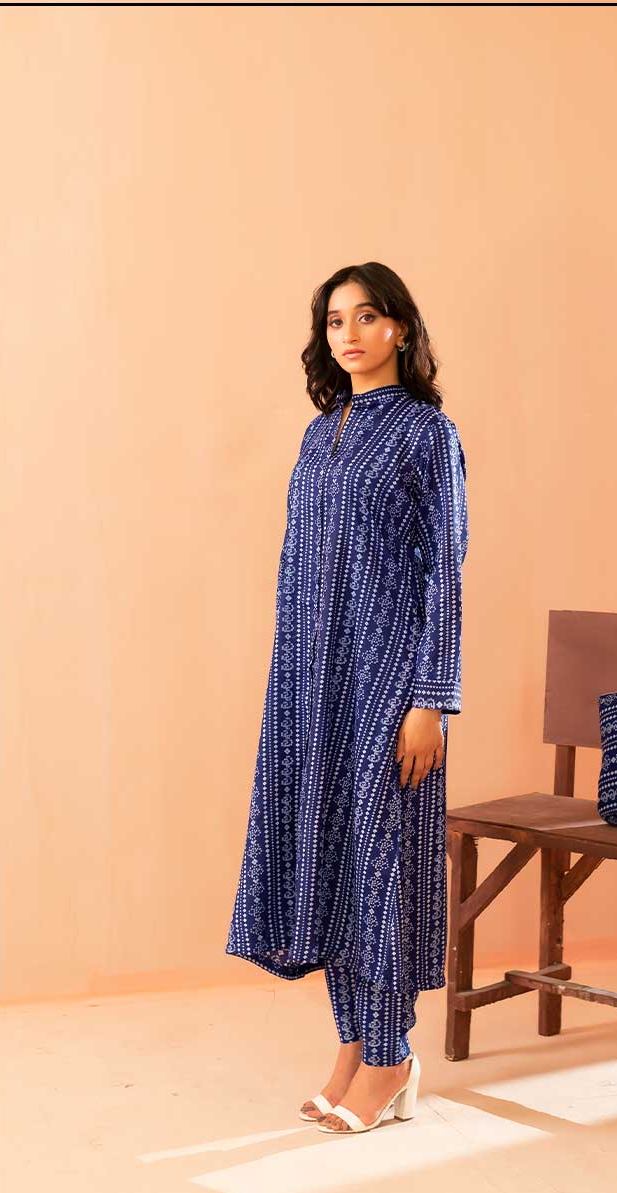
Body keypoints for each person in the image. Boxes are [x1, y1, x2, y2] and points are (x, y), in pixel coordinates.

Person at [225, 261, 469, 1136]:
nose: (350, 334)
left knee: (378, 865)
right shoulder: (318, 433)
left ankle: (392, 1055)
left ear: (400, 327)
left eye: (367, 317)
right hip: (310, 683)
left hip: (386, 682)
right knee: (329, 866)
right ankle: (353, 1047)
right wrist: (291, 678)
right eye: (335, 321)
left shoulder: (427, 433)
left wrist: (430, 698)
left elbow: (445, 571)